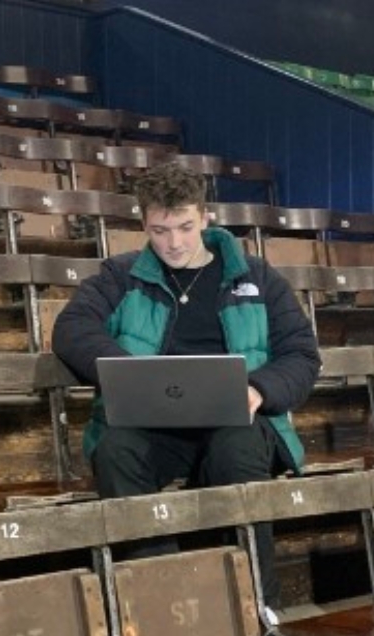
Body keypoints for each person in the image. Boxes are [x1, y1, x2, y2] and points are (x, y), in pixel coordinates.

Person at [51, 163, 321, 612]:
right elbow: (72, 328)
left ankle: (256, 604)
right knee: (116, 450)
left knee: (237, 451)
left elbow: (301, 355)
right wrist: (130, 375)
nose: (173, 243)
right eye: (159, 230)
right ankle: (161, 602)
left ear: (205, 218)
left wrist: (258, 389)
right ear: (144, 225)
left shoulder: (257, 277)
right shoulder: (121, 276)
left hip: (237, 420)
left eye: (184, 227)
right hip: (155, 423)